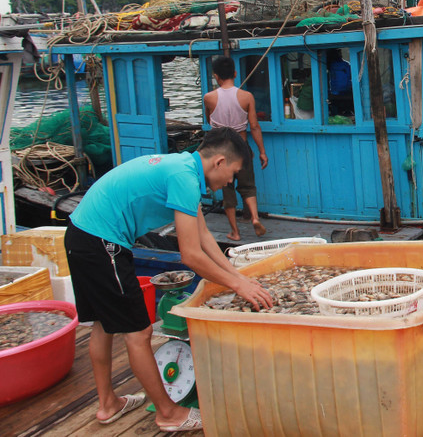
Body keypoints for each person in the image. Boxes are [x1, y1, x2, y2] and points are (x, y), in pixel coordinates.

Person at [63, 128, 274, 432]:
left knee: (102, 323)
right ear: (219, 162)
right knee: (139, 333)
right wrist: (238, 286)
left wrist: (236, 275)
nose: (230, 181)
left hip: (82, 233)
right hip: (101, 241)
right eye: (233, 173)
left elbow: (203, 236)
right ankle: (168, 413)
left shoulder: (183, 167)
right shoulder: (184, 178)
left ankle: (108, 404)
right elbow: (190, 255)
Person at [204, 56, 269, 240]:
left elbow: (210, 121)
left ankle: (235, 232)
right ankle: (255, 218)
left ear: (216, 76)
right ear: (235, 73)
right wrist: (262, 151)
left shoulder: (209, 98)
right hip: (242, 146)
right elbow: (254, 126)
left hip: (221, 151)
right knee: (248, 186)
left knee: (227, 189)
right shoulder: (246, 96)